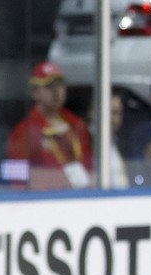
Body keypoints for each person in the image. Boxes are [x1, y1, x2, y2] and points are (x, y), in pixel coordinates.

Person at [5, 61, 93, 190]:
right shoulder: (24, 131)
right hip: (44, 201)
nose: (57, 92)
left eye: (60, 86)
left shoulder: (77, 125)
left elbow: (89, 167)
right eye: (49, 87)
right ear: (34, 92)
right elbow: (17, 180)